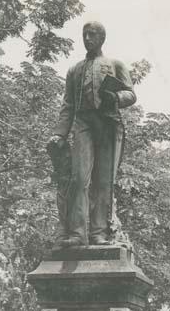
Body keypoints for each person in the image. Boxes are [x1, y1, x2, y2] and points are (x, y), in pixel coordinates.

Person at [47, 21, 136, 248]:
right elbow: (68, 105)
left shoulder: (115, 64)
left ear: (102, 38)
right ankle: (77, 234)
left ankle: (100, 233)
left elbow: (130, 94)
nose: (88, 38)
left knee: (104, 181)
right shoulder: (74, 69)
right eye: (85, 34)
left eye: (92, 34)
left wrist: (116, 98)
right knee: (78, 179)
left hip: (107, 123)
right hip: (83, 122)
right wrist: (59, 134)